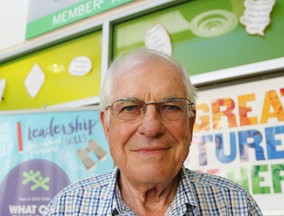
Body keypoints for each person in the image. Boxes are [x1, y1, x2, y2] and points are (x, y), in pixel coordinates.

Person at [44, 48, 263, 215]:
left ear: (191, 122)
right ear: (106, 125)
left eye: (170, 107)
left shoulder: (237, 205)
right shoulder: (66, 208)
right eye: (130, 108)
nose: (151, 127)